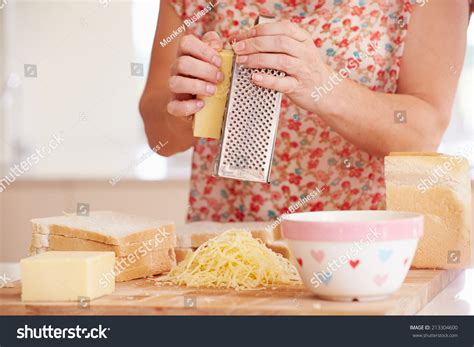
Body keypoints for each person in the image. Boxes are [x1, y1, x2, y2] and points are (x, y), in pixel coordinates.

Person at [140, 0, 470, 222]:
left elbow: (424, 133)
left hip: (364, 253)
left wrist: (323, 86)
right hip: (232, 244)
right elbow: (160, 137)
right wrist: (186, 107)